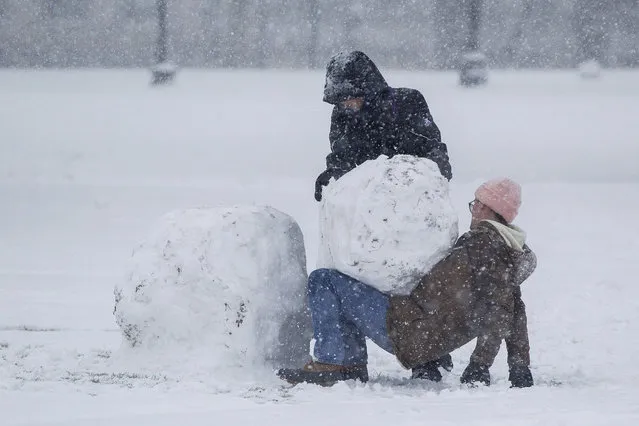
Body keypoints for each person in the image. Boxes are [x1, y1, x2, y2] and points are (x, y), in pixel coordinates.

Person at [278, 178, 536, 388]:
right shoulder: (502, 250)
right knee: (349, 288)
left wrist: (480, 365)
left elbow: (500, 311)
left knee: (325, 281)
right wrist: (519, 366)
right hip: (424, 336)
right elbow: (515, 310)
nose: (474, 209)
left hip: (409, 331)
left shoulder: (484, 244)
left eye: (479, 204)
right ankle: (349, 366)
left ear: (492, 210)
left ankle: (332, 363)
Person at [314, 51, 452, 202]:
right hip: (369, 204)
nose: (346, 104)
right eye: (340, 101)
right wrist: (335, 174)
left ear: (368, 90)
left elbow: (432, 148)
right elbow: (342, 155)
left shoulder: (407, 103)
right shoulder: (342, 115)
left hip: (413, 198)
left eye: (351, 97)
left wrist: (435, 169)